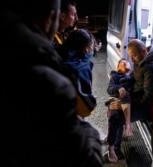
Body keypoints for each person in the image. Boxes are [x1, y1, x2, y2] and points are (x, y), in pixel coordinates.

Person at [0, 0, 103, 166]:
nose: (76, 18)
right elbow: (87, 159)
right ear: (51, 18)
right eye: (73, 14)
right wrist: (88, 131)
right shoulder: (51, 83)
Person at [107, 39, 153, 163]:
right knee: (112, 108)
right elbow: (133, 78)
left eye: (134, 56)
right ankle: (113, 144)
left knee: (118, 116)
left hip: (143, 105)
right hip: (134, 97)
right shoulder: (142, 59)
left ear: (144, 51)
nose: (132, 60)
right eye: (130, 57)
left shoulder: (151, 67)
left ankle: (115, 149)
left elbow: (147, 97)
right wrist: (119, 88)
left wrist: (125, 105)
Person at [60, 28, 97, 118]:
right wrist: (92, 100)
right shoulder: (81, 68)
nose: (92, 49)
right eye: (92, 46)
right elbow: (86, 106)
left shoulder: (57, 52)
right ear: (86, 48)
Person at [105, 58, 134, 137]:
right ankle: (113, 147)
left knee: (126, 94)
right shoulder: (115, 76)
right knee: (114, 117)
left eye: (127, 62)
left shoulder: (133, 76)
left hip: (128, 102)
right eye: (122, 63)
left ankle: (127, 126)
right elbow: (109, 89)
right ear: (118, 68)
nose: (125, 63)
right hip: (116, 99)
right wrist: (118, 88)